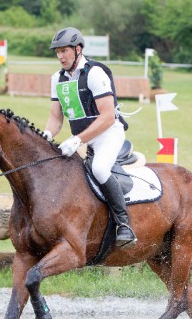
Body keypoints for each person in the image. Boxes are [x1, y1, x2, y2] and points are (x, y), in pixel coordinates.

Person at [43, 27, 137, 247]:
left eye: (64, 51)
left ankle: (124, 225)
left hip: (107, 134)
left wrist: (77, 140)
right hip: (83, 138)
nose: (60, 56)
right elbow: (56, 119)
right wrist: (47, 134)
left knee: (99, 169)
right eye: (57, 52)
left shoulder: (95, 73)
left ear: (78, 49)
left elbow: (107, 117)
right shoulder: (57, 79)